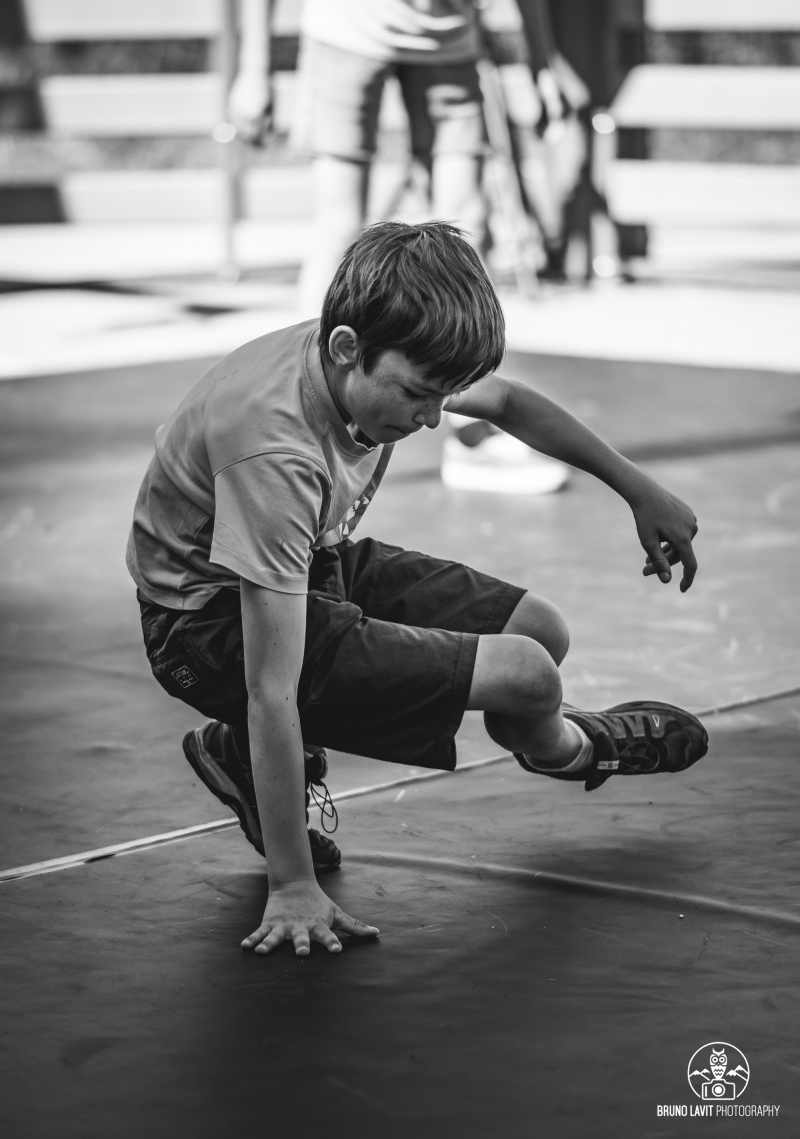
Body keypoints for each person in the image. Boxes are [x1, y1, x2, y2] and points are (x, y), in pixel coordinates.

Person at [128, 221, 706, 959]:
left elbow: (508, 404)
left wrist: (637, 488)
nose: (432, 419)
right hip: (205, 629)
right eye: (417, 396)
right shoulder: (273, 449)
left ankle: (239, 755)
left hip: (309, 559)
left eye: (442, 396)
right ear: (346, 348)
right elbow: (270, 688)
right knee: (528, 678)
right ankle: (576, 749)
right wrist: (292, 884)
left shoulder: (379, 345)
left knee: (541, 629)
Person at [230, 0, 580, 493]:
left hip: (450, 37)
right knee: (339, 227)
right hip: (347, 25)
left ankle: (470, 438)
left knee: (466, 230)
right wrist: (253, 66)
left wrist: (542, 60)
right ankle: (296, 431)